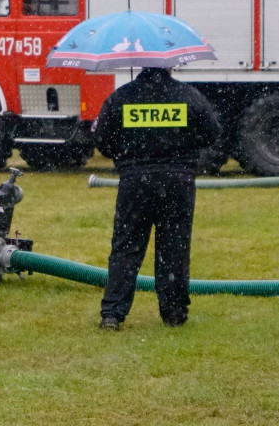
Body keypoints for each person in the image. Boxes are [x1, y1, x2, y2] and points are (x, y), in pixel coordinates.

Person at [93, 67, 220, 330]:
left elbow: (102, 141)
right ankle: (174, 313)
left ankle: (112, 314)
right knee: (174, 248)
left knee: (126, 248)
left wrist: (130, 154)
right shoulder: (189, 96)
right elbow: (211, 133)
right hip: (178, 181)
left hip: (134, 181)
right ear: (169, 65)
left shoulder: (120, 98)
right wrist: (182, 150)